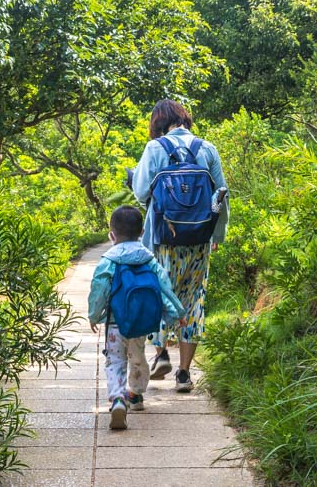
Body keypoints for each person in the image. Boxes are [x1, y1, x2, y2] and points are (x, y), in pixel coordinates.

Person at [131, 99, 229, 393]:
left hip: (163, 239)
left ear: (159, 123)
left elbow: (140, 192)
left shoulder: (155, 148)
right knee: (193, 301)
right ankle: (184, 374)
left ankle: (160, 353)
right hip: (199, 239)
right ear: (184, 119)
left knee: (160, 293)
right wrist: (217, 236)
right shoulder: (207, 148)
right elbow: (222, 195)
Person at [88, 205, 186, 430]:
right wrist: (177, 312)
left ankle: (117, 398)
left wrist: (94, 315)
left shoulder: (108, 261)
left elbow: (99, 289)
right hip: (141, 323)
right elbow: (164, 289)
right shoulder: (149, 260)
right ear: (142, 232)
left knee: (114, 361)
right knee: (138, 359)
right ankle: (135, 394)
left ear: (111, 235)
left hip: (115, 324)